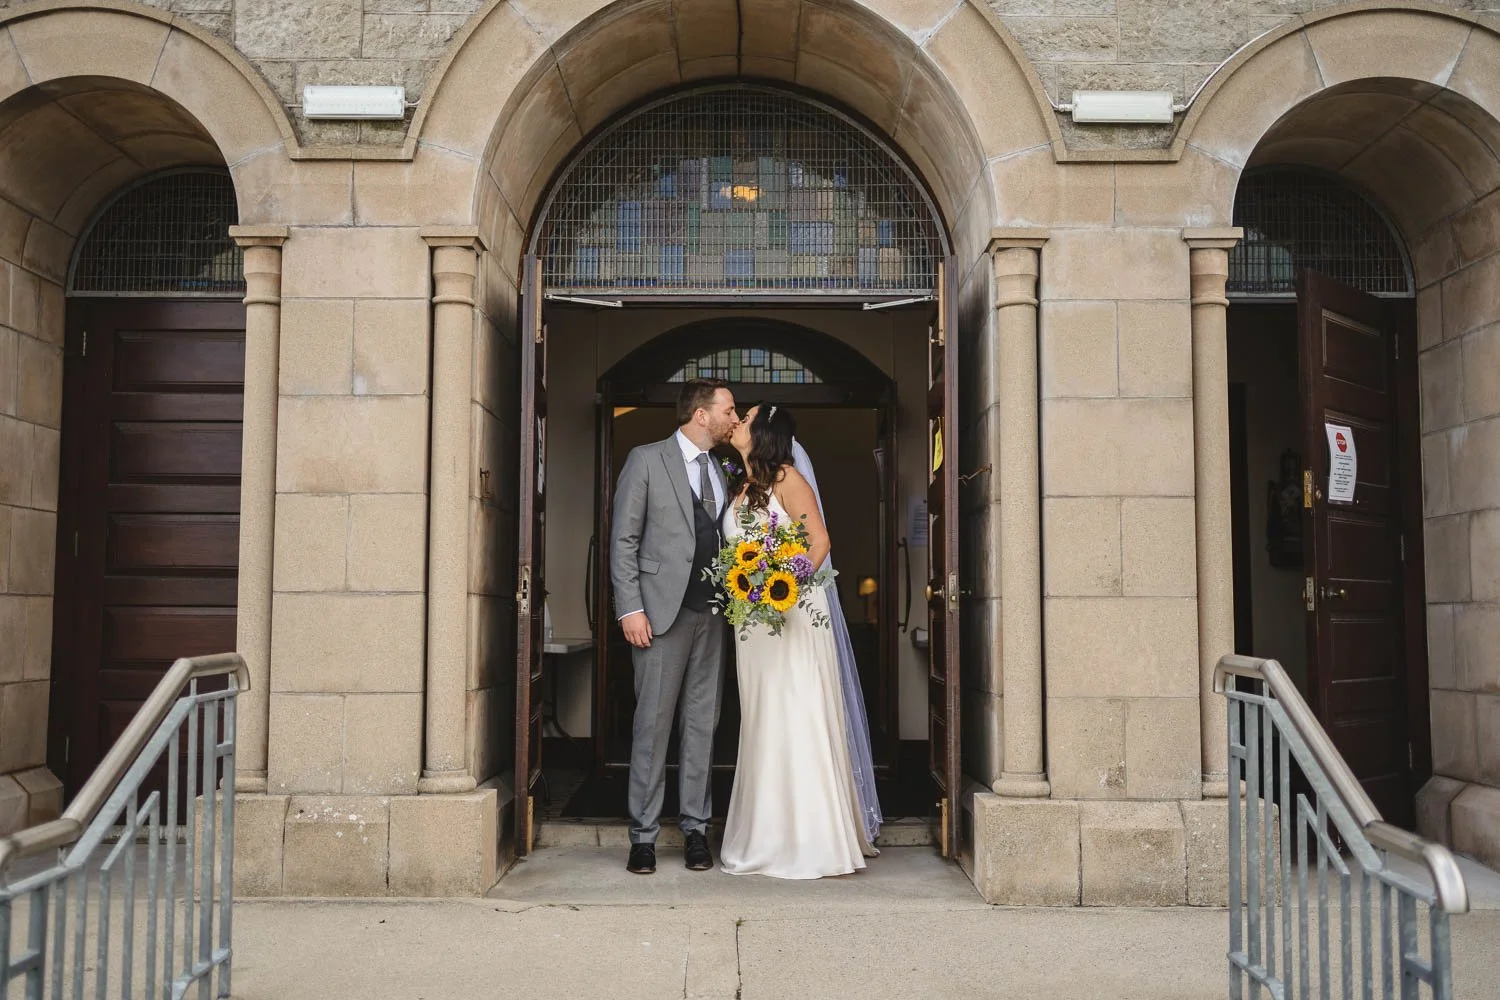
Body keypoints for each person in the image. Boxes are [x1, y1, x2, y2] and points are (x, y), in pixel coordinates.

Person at [718, 403, 881, 879]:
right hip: (753, 625)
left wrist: (781, 585)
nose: (738, 423)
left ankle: (813, 839)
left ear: (763, 434)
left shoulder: (787, 477)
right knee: (764, 719)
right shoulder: (741, 484)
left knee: (797, 713)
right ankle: (765, 834)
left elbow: (819, 542)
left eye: (746, 419)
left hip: (793, 612)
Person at [609, 377, 740, 875]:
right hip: (659, 616)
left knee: (702, 726)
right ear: (700, 414)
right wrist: (630, 608)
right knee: (652, 726)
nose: (735, 417)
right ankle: (642, 837)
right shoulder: (646, 460)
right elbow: (623, 540)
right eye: (728, 409)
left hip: (712, 616)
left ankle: (695, 831)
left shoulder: (722, 469)